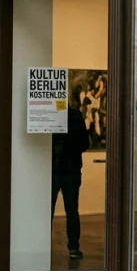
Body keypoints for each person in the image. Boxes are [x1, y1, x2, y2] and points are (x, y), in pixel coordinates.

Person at [51, 102, 91, 259]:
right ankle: (74, 247)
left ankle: (43, 245)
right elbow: (85, 144)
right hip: (71, 169)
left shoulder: (48, 115)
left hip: (53, 169)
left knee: (48, 211)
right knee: (72, 211)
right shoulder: (75, 117)